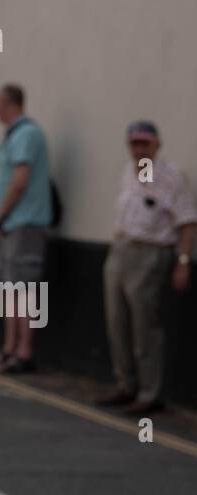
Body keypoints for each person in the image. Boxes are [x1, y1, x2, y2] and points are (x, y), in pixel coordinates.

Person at [96, 120, 196, 415]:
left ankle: (149, 391)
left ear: (157, 145)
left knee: (145, 325)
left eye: (144, 144)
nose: (139, 150)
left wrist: (183, 262)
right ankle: (125, 383)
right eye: (134, 144)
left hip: (151, 252)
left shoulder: (172, 177)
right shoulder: (128, 173)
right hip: (122, 248)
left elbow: (187, 222)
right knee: (117, 321)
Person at [0, 84, 53, 374]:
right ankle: (10, 348)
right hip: (13, 224)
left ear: (9, 104)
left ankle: (24, 351)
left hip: (25, 222)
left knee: (23, 289)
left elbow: (20, 180)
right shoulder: (15, 134)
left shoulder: (27, 134)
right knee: (10, 289)